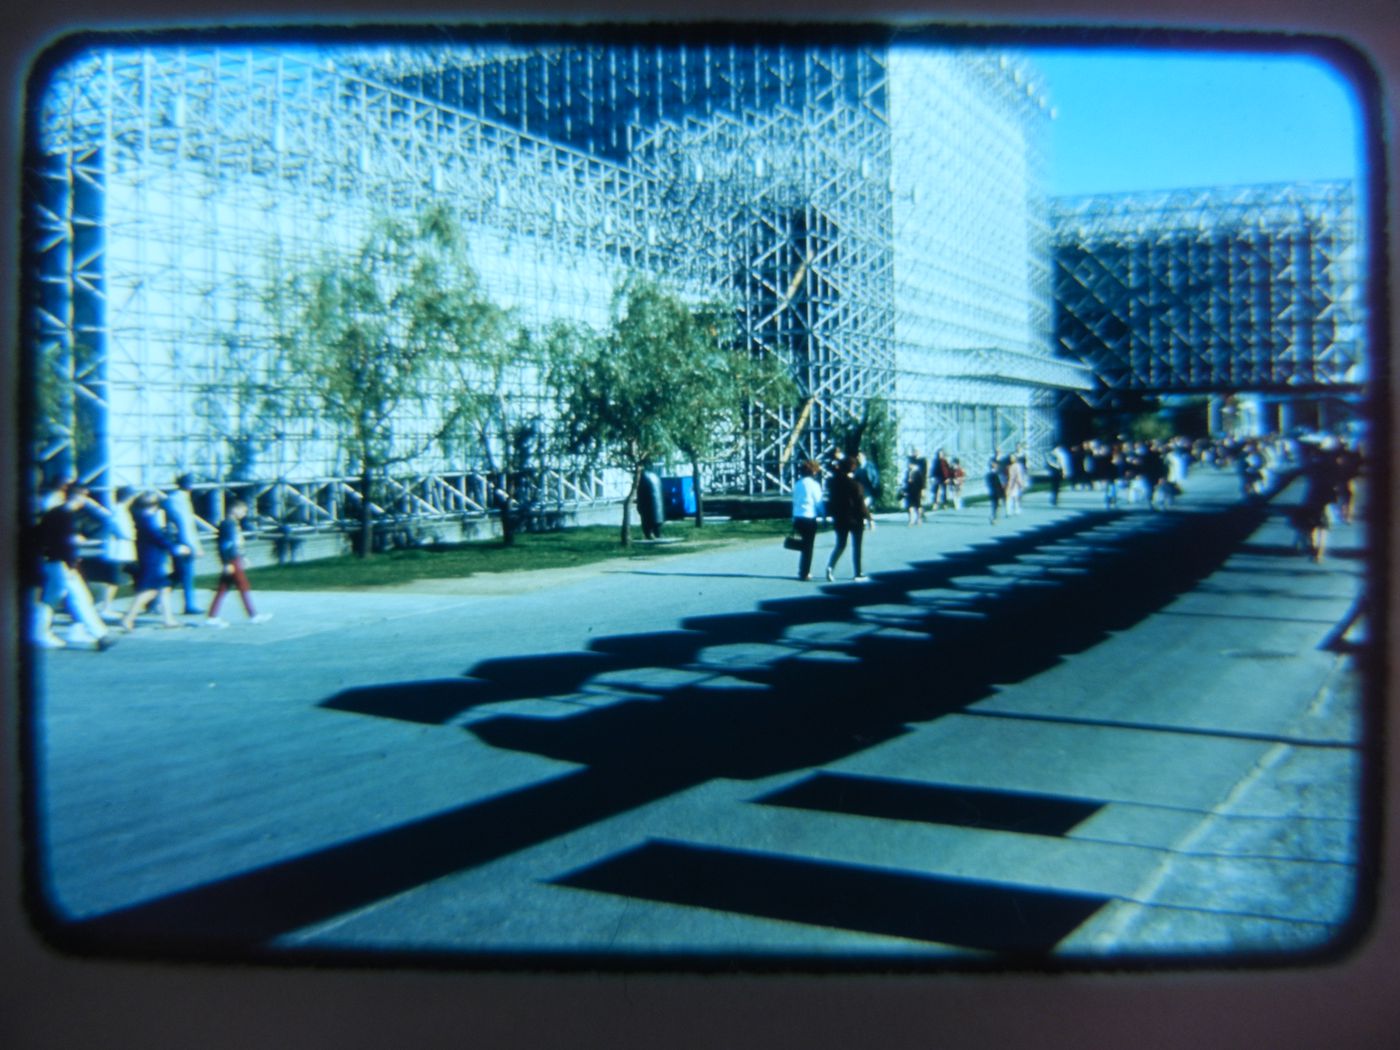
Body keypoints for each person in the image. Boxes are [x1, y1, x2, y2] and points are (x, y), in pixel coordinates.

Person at [37, 482, 118, 651]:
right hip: (63, 564)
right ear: (80, 496)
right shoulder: (66, 516)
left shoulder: (54, 513)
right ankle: (100, 634)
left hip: (52, 562)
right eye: (85, 496)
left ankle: (39, 633)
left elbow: (47, 538)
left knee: (50, 600)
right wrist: (72, 564)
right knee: (80, 598)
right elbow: (64, 544)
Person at [121, 491, 188, 631]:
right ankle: (128, 618)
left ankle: (168, 619)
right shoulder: (147, 520)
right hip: (152, 560)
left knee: (164, 588)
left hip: (151, 558)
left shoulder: (141, 518)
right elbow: (158, 538)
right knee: (149, 591)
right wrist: (175, 548)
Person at [205, 499, 273, 627]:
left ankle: (212, 616)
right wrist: (227, 562)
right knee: (243, 585)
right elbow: (225, 545)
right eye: (243, 510)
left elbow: (236, 543)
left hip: (234, 558)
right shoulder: (228, 524)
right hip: (232, 559)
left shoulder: (232, 524)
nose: (244, 513)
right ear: (234, 509)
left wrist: (243, 557)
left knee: (223, 588)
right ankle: (253, 615)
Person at [825, 455, 873, 582]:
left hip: (840, 518)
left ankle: (831, 566)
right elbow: (861, 504)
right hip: (855, 518)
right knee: (857, 546)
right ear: (853, 468)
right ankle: (858, 572)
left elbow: (831, 502)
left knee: (840, 544)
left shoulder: (834, 483)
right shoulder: (855, 485)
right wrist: (869, 518)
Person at [93, 485, 138, 619]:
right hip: (118, 552)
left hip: (121, 551)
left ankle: (106, 606)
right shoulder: (119, 511)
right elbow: (125, 532)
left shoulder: (119, 510)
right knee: (113, 581)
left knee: (116, 581)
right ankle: (106, 607)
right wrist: (133, 534)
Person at [164, 473, 207, 614]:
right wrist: (194, 546)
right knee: (187, 574)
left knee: (178, 574)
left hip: (174, 539)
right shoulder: (180, 500)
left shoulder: (172, 498)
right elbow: (185, 525)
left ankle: (153, 599)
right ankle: (190, 605)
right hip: (182, 541)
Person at [791, 459, 824, 581]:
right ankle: (805, 572)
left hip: (798, 517)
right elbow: (819, 503)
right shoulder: (814, 485)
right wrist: (824, 516)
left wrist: (793, 518)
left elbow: (794, 502)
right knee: (808, 546)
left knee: (804, 545)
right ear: (813, 472)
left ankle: (802, 569)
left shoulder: (797, 484)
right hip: (809, 517)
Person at [636, 467, 664, 540]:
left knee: (647, 522)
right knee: (656, 523)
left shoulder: (643, 477)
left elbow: (641, 494)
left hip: (648, 508)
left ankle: (649, 534)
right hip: (658, 510)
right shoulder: (654, 476)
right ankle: (658, 533)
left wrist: (639, 505)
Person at [902, 450, 927, 526]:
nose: (909, 465)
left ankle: (919, 518)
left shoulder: (918, 472)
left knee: (918, 506)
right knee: (910, 506)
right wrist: (904, 490)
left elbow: (922, 482)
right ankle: (911, 520)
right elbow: (905, 482)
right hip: (909, 491)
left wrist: (922, 490)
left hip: (917, 491)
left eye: (910, 464)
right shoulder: (907, 472)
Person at [985, 455, 1006, 524]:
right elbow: (989, 483)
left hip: (999, 490)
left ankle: (995, 516)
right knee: (995, 505)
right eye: (992, 463)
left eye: (994, 463)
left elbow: (1002, 482)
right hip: (994, 491)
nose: (993, 464)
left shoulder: (999, 472)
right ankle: (994, 517)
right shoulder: (990, 473)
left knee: (998, 505)